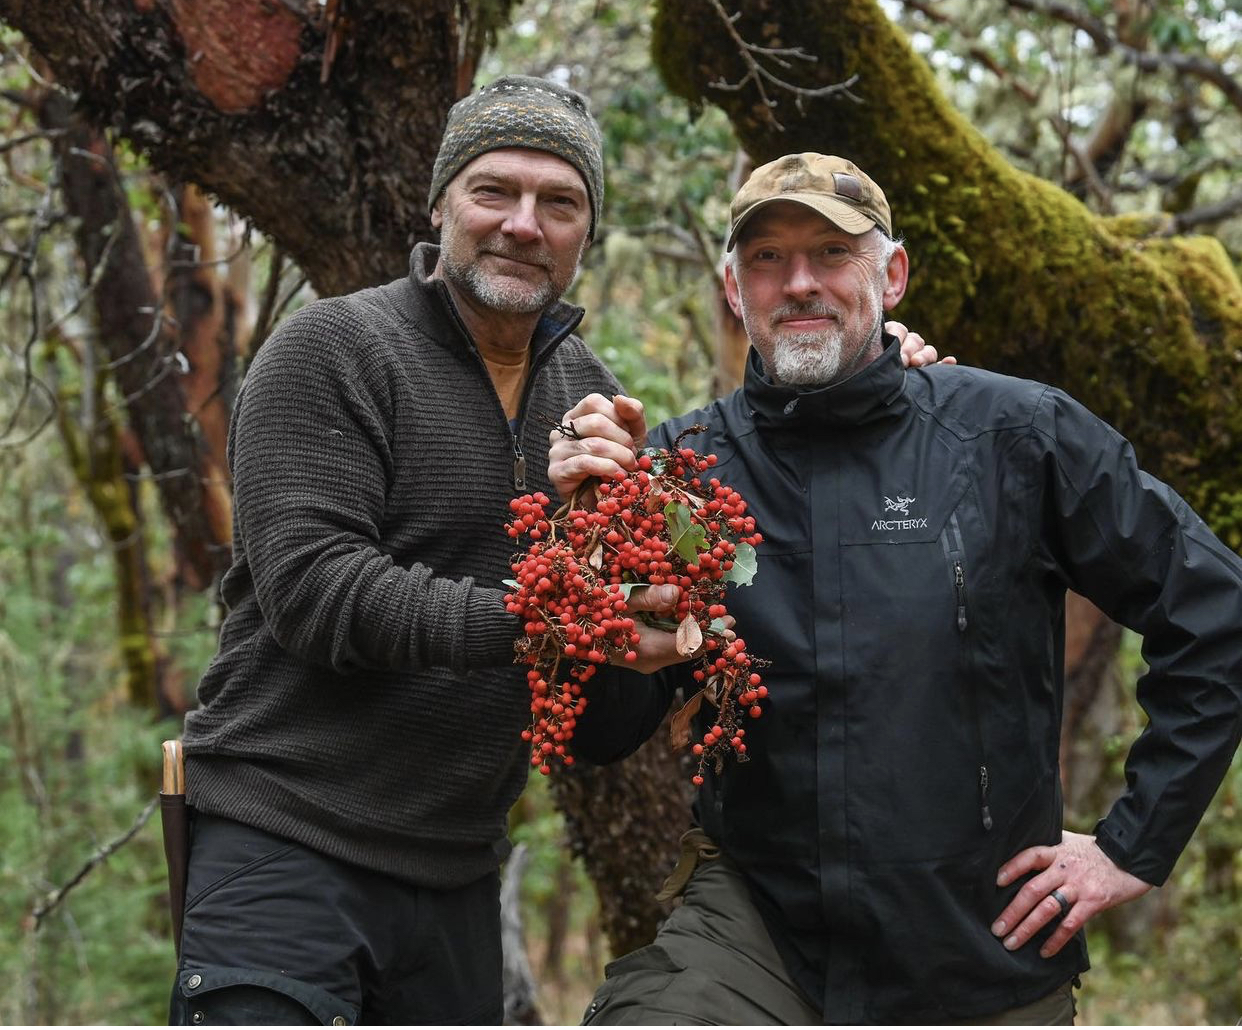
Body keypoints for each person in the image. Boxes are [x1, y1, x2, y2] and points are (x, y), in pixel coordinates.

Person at [170, 80, 939, 1024]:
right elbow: (317, 595)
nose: (523, 225)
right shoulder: (330, 351)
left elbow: (594, 716)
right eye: (494, 191)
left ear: (587, 230)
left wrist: (879, 383)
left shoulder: (591, 398)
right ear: (442, 202)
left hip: (456, 870)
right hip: (282, 843)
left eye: (560, 202)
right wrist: (557, 611)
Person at [549, 152, 1242, 1025]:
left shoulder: (1012, 435)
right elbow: (602, 732)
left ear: (893, 275)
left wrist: (1130, 847)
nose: (798, 282)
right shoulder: (682, 475)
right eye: (767, 258)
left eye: (832, 253)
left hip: (978, 941)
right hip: (760, 931)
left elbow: (1215, 611)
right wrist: (585, 551)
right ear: (733, 288)